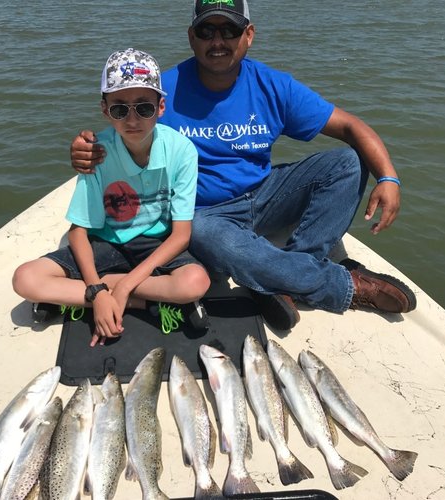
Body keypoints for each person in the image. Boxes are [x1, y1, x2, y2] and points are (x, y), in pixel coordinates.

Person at [69, 1, 416, 332]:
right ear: (192, 37)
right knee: (210, 236)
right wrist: (86, 148)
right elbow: (122, 127)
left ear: (248, 35)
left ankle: (287, 275)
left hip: (266, 193)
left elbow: (350, 126)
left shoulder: (273, 85)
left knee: (348, 161)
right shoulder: (163, 91)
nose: (217, 41)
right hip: (205, 213)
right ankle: (337, 285)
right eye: (206, 31)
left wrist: (389, 177)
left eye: (229, 30)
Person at [13, 48, 211, 345]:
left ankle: (88, 295)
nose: (132, 119)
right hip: (106, 241)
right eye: (120, 109)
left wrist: (123, 285)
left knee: (196, 282)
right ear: (105, 110)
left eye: (143, 107)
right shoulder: (97, 154)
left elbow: (181, 235)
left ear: (160, 108)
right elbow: (78, 231)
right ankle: (145, 301)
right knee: (25, 279)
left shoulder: (181, 151)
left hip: (153, 243)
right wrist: (97, 291)